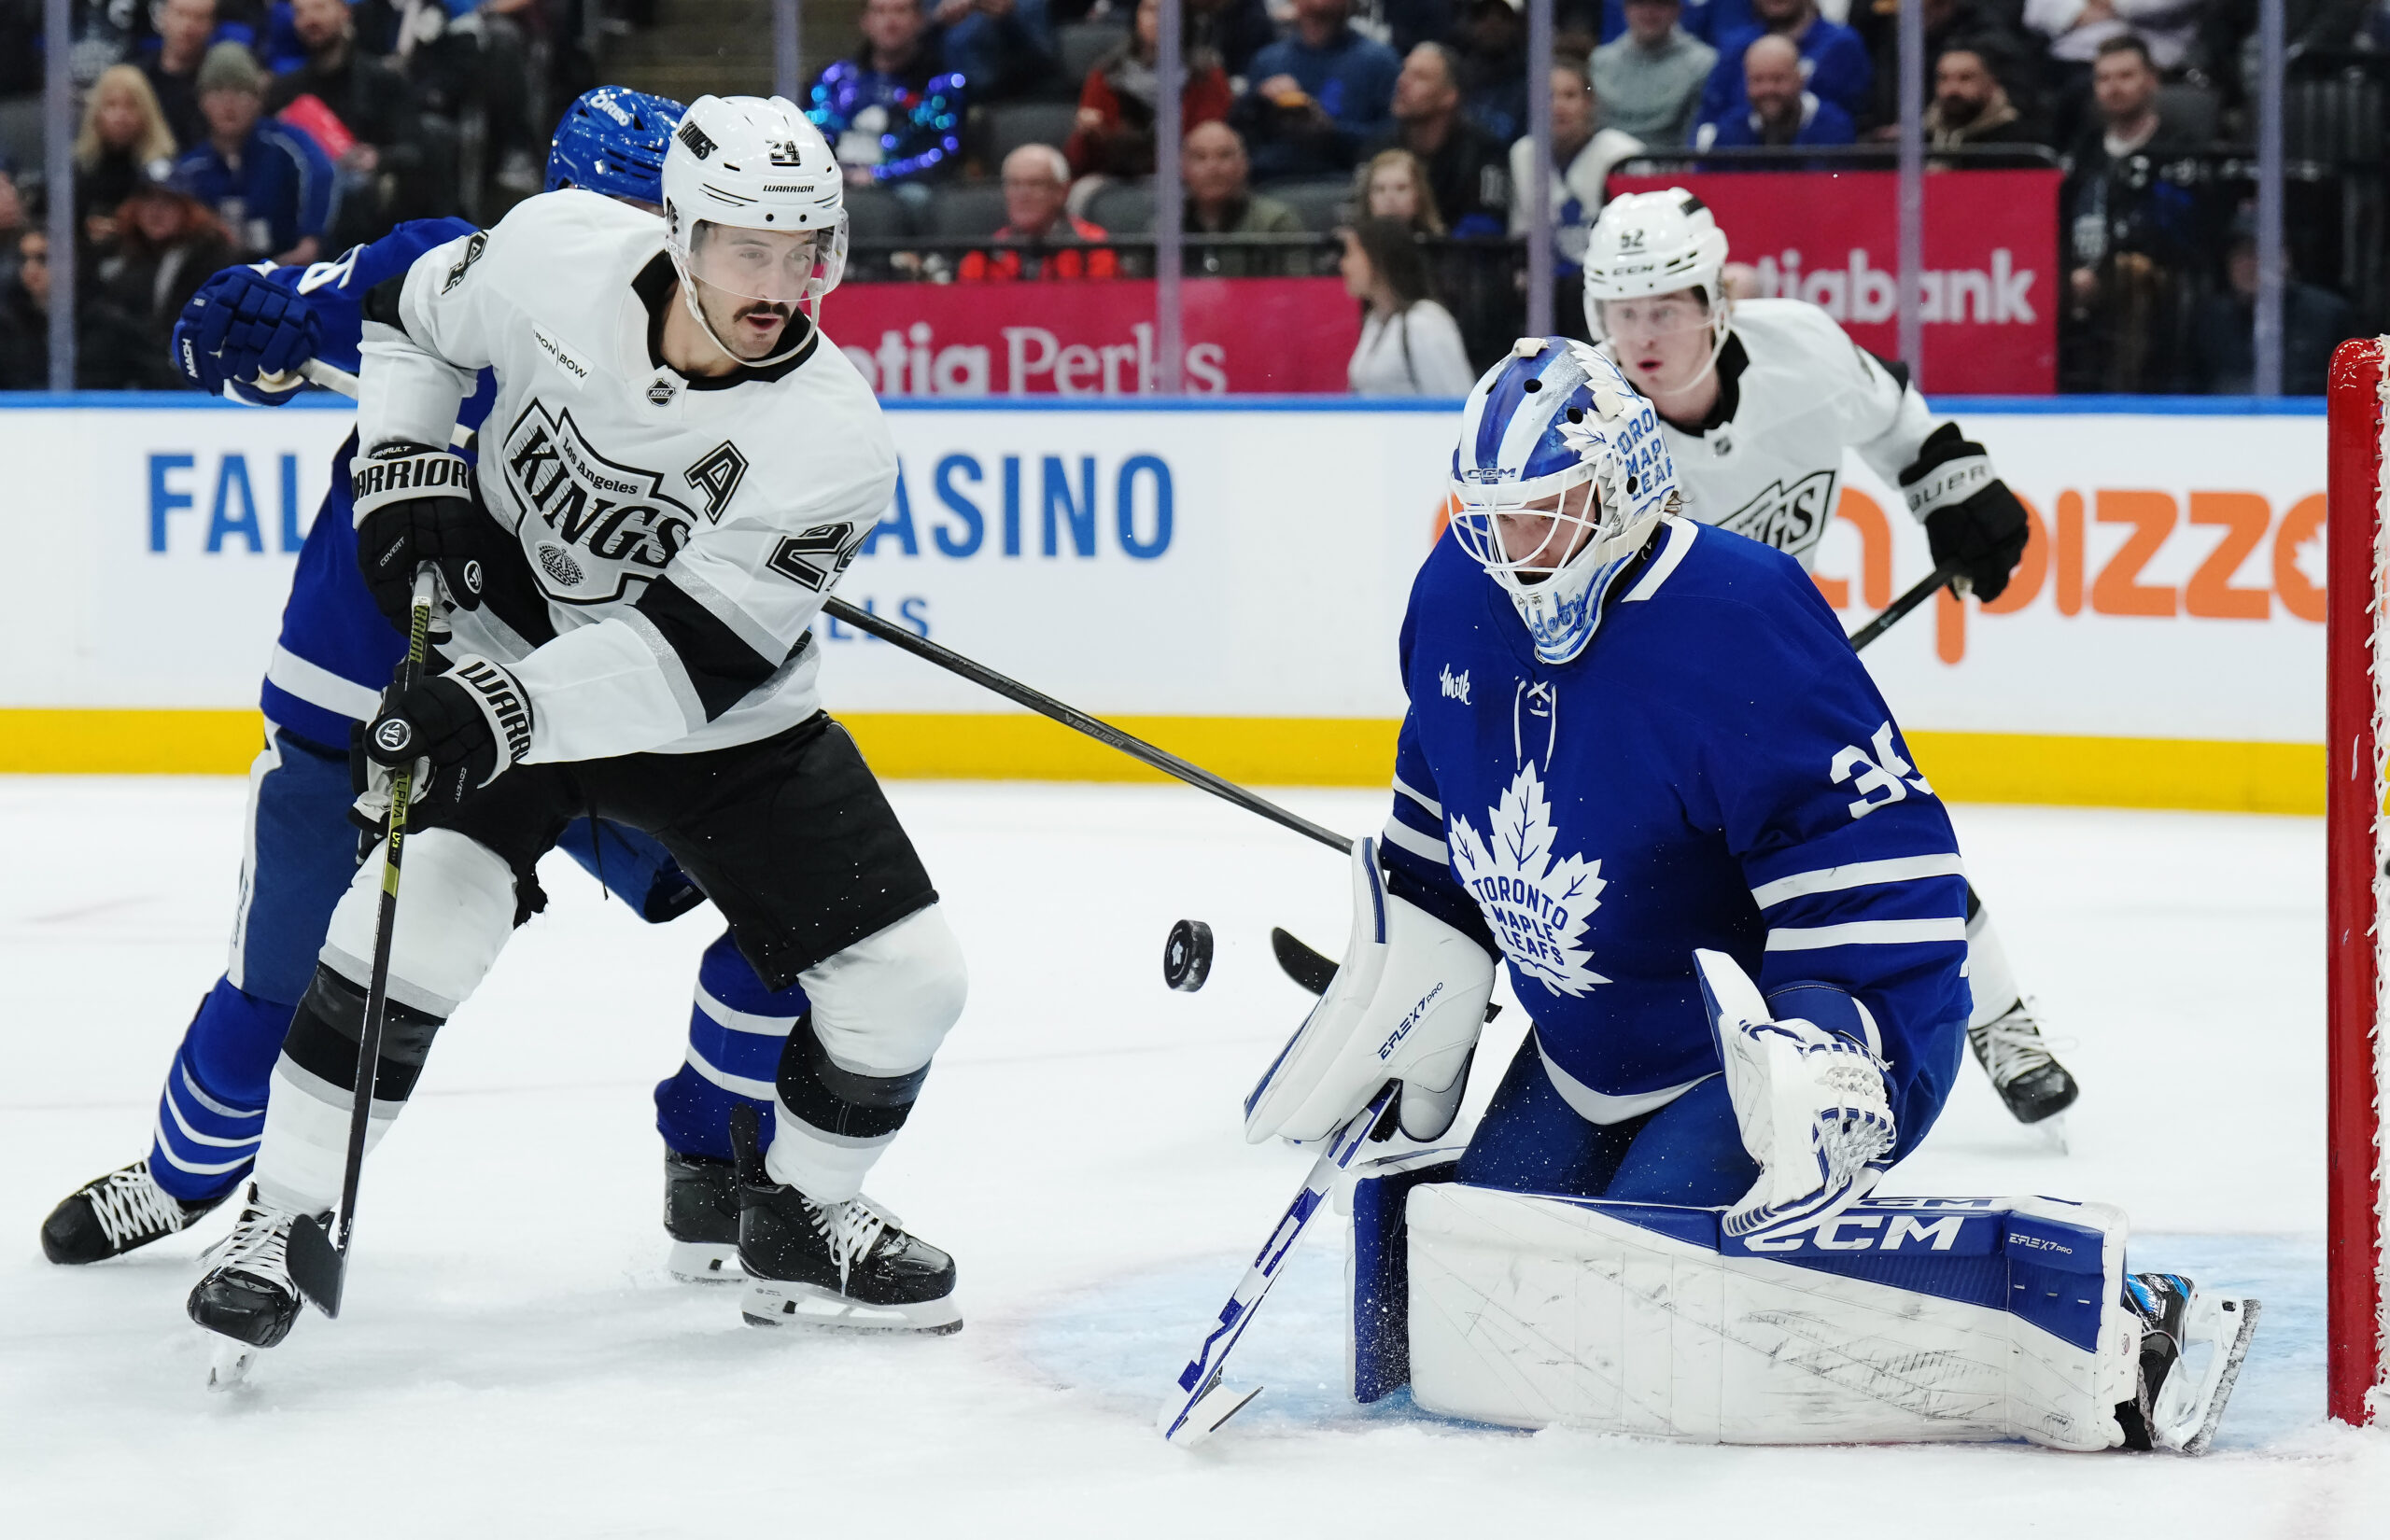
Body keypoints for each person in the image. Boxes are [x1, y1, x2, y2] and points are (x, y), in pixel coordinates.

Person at [1244, 337, 2254, 1454]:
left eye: (1547, 511)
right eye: (1490, 515)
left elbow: (1889, 871)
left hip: (1758, 1045)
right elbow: (1437, 801)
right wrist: (1406, 997)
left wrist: (1832, 1048)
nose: (1516, 553)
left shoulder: (1738, 613)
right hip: (1595, 1044)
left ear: (1625, 480)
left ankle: (2105, 1318)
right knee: (1474, 1275)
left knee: (1651, 1304)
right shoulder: (1458, 589)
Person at [181, 94, 970, 1360]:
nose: (781, 284)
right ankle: (280, 1218)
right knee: (412, 930)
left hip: (717, 723)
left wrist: (495, 704)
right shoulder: (555, 251)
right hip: (505, 649)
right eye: (747, 248)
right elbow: (405, 317)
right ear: (679, 231)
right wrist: (402, 469)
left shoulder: (833, 439)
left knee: (909, 981)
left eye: (806, 249)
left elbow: (678, 664)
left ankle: (805, 1208)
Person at [36, 92, 802, 1313]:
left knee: (800, 908)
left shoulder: (717, 365)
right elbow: (280, 332)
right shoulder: (451, 266)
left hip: (553, 712)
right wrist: (245, 335)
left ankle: (715, 1154)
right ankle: (187, 1173)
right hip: (359, 681)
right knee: (276, 983)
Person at [1573, 187, 2076, 1126]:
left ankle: (1999, 1021)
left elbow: (1897, 424)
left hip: (1783, 668)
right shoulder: (1586, 430)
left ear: (1715, 300)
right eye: (1620, 311)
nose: (1642, 335)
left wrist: (1953, 493)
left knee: (1881, 837)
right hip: (1646, 704)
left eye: (1666, 307)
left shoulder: (1800, 348)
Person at [2060, 35, 2204, 392]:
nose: (2113, 87)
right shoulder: (2083, 150)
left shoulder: (2177, 150)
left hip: (2149, 297)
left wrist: (2106, 272)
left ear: (2151, 80)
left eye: (2125, 76)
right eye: (2104, 78)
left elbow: (2180, 235)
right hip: (2075, 285)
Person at [264, 0, 430, 237]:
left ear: (344, 13)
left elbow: (416, 151)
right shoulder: (285, 92)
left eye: (319, 7)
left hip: (371, 217)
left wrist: (377, 158)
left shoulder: (383, 82)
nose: (310, 19)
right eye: (300, 12)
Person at [173, 42, 336, 264]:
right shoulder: (191, 168)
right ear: (202, 101)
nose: (228, 104)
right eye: (218, 92)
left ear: (259, 100)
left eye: (240, 92)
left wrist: (311, 239)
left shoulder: (287, 144)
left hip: (288, 271)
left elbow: (321, 173)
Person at [1510, 61, 1642, 309]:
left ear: (1589, 104)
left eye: (1569, 96)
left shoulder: (1622, 153)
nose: (1558, 107)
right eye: (1548, 96)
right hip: (1548, 287)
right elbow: (1521, 236)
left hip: (1610, 284)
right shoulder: (1523, 154)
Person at [81, 175, 235, 388]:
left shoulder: (208, 255)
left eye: (168, 202)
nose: (156, 211)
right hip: (122, 366)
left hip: (180, 370)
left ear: (187, 208)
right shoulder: (117, 253)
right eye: (148, 201)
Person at [807, 0, 967, 203]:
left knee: (916, 198)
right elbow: (810, 134)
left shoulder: (942, 83)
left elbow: (944, 154)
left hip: (904, 188)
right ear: (865, 21)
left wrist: (879, 175)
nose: (890, 22)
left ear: (920, 20)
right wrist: (834, 171)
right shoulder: (833, 78)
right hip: (834, 178)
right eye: (880, 11)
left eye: (900, 11)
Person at [1231, 0, 1402, 182]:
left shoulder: (1379, 61)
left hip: (1343, 184)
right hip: (1270, 182)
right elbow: (1238, 139)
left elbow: (1393, 142)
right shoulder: (1267, 61)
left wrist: (1331, 133)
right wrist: (1257, 103)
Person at [1064, 0, 1233, 179]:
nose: (1159, 19)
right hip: (1115, 176)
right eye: (1150, 10)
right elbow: (1078, 161)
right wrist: (1090, 136)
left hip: (1188, 178)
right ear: (1136, 17)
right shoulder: (1107, 74)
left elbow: (1212, 142)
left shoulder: (1207, 75)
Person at [2188, 221, 2358, 395]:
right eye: (2243, 255)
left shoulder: (2328, 315)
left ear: (2286, 259)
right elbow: (2187, 390)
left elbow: (2355, 390)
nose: (2254, 265)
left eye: (2264, 252)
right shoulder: (2209, 320)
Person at [1360, 42, 1510, 235]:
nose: (1402, 82)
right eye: (1404, 72)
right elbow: (1360, 219)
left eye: (1419, 77)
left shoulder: (1485, 152)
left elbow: (1487, 230)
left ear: (1449, 96)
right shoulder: (1378, 149)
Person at [1342, 216, 1474, 396]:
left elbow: (1456, 395)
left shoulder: (1424, 322)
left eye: (1351, 253)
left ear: (1376, 259)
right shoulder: (1375, 321)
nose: (1344, 265)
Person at [1695, 0, 1871, 134]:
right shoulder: (1735, 47)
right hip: (1741, 169)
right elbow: (1708, 122)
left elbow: (1858, 124)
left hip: (1820, 170)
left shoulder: (1841, 45)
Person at [958, 144, 1119, 281]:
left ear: (1061, 191)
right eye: (1014, 184)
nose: (1023, 194)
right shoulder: (985, 257)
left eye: (1035, 184)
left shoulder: (1093, 248)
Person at [77, 63, 182, 245]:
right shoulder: (80, 170)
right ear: (97, 113)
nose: (121, 116)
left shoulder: (163, 173)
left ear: (147, 112)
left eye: (131, 105)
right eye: (111, 105)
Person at [1184, 120, 1306, 276]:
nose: (1213, 167)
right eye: (1200, 157)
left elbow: (1297, 291)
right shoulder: (1164, 228)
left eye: (1224, 155)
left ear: (1244, 164)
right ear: (1183, 168)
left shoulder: (1276, 223)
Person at [1694, 32, 1858, 147]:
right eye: (1758, 80)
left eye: (1778, 79)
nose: (1768, 89)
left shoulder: (1834, 128)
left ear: (1800, 79)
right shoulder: (1729, 132)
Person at [1593, 0, 1717, 145]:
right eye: (1640, 3)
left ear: (1678, 9)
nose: (1649, 12)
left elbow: (1696, 137)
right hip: (1608, 161)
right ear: (1625, 8)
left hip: (1672, 162)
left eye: (1660, 3)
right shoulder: (1599, 63)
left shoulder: (1704, 64)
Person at [1920, 42, 2046, 149]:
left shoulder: (2020, 142)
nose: (1952, 89)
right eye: (1943, 78)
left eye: (1965, 78)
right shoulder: (1920, 135)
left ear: (1991, 83)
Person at [141, 0, 220, 150]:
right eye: (180, 14)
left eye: (200, 17)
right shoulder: (139, 78)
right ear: (163, 17)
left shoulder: (219, 83)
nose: (188, 25)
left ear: (213, 25)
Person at [1358, 147, 1445, 232]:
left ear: (1419, 195)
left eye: (1401, 188)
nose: (1390, 197)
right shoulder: (1350, 244)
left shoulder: (1440, 244)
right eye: (1380, 189)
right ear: (1368, 198)